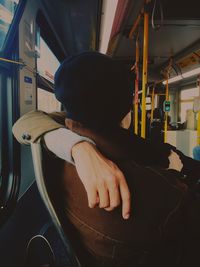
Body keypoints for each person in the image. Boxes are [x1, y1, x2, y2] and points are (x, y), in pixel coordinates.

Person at [13, 52, 200, 267]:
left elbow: (27, 121)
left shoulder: (63, 140)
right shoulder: (158, 189)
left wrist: (77, 147)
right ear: (125, 108)